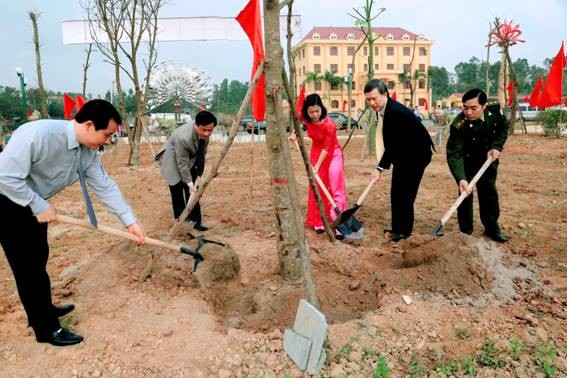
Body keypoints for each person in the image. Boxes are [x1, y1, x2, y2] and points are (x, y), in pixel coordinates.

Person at [0, 99, 146, 347]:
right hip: (7, 201)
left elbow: (104, 185)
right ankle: (46, 329)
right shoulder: (37, 135)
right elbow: (5, 177)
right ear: (89, 125)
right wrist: (39, 205)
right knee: (28, 269)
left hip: (35, 203)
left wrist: (128, 221)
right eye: (108, 134)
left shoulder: (87, 152)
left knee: (39, 258)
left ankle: (43, 308)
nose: (109, 140)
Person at [364, 79, 434, 242]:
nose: (372, 103)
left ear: (384, 94)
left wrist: (379, 168)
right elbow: (394, 144)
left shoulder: (395, 112)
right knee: (397, 191)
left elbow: (393, 145)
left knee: (405, 194)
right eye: (368, 99)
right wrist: (381, 167)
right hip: (403, 153)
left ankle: (404, 232)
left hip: (417, 156)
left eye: (374, 98)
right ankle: (397, 228)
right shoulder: (384, 110)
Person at [446, 89, 509, 242]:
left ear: (484, 106)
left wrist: (496, 146)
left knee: (488, 193)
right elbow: (454, 154)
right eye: (465, 107)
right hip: (466, 163)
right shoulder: (458, 125)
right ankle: (465, 232)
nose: (468, 112)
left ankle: (492, 228)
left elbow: (503, 128)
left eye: (474, 108)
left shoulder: (494, 113)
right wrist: (461, 178)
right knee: (465, 194)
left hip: (487, 161)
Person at [290, 93, 347, 234]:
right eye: (311, 112)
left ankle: (339, 221)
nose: (314, 114)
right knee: (317, 186)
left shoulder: (329, 125)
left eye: (317, 111)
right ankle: (318, 221)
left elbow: (327, 148)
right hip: (316, 153)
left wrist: (316, 165)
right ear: (306, 111)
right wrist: (293, 133)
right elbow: (297, 121)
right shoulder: (304, 116)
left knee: (335, 186)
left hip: (333, 154)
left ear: (321, 108)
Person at [155, 110, 217, 231]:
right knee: (177, 188)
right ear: (196, 125)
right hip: (172, 159)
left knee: (194, 192)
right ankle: (181, 222)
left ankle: (195, 221)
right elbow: (181, 164)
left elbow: (202, 149)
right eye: (204, 130)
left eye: (210, 130)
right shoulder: (184, 137)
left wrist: (202, 158)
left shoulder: (206, 133)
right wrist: (189, 184)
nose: (207, 133)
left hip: (189, 158)